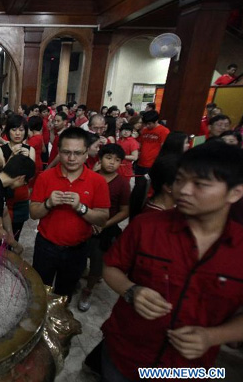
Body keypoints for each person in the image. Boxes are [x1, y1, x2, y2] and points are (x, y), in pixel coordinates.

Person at [100, 142, 243, 381]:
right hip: (125, 354)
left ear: (235, 192)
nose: (184, 191)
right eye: (180, 180)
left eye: (200, 184)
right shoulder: (146, 226)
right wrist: (131, 290)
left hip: (186, 369)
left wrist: (213, 337)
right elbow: (111, 267)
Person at [30, 127, 110, 297]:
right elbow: (34, 213)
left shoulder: (98, 182)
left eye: (78, 153)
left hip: (78, 249)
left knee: (64, 294)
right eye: (66, 152)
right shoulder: (45, 177)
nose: (72, 158)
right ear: (58, 152)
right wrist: (48, 203)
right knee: (39, 292)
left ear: (87, 153)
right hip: (46, 246)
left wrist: (81, 208)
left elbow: (102, 218)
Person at [77, 144, 130, 312]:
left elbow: (125, 211)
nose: (112, 163)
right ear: (100, 159)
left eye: (117, 160)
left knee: (97, 263)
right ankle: (77, 277)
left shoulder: (122, 183)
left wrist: (104, 224)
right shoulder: (90, 176)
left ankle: (88, 289)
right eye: (108, 158)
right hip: (83, 225)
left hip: (105, 230)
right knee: (77, 257)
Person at [1, 115, 36, 241]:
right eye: (14, 129)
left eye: (21, 130)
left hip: (21, 198)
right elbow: (1, 175)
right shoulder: (1, 149)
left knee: (15, 236)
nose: (17, 133)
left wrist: (27, 160)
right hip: (4, 198)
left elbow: (30, 176)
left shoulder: (29, 149)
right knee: (1, 238)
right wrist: (11, 157)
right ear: (8, 130)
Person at [135, 110, 170, 176]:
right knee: (138, 184)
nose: (147, 126)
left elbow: (164, 149)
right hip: (140, 163)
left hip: (152, 164)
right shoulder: (145, 130)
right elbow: (141, 144)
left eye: (149, 124)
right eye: (145, 124)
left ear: (156, 121)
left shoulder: (164, 131)